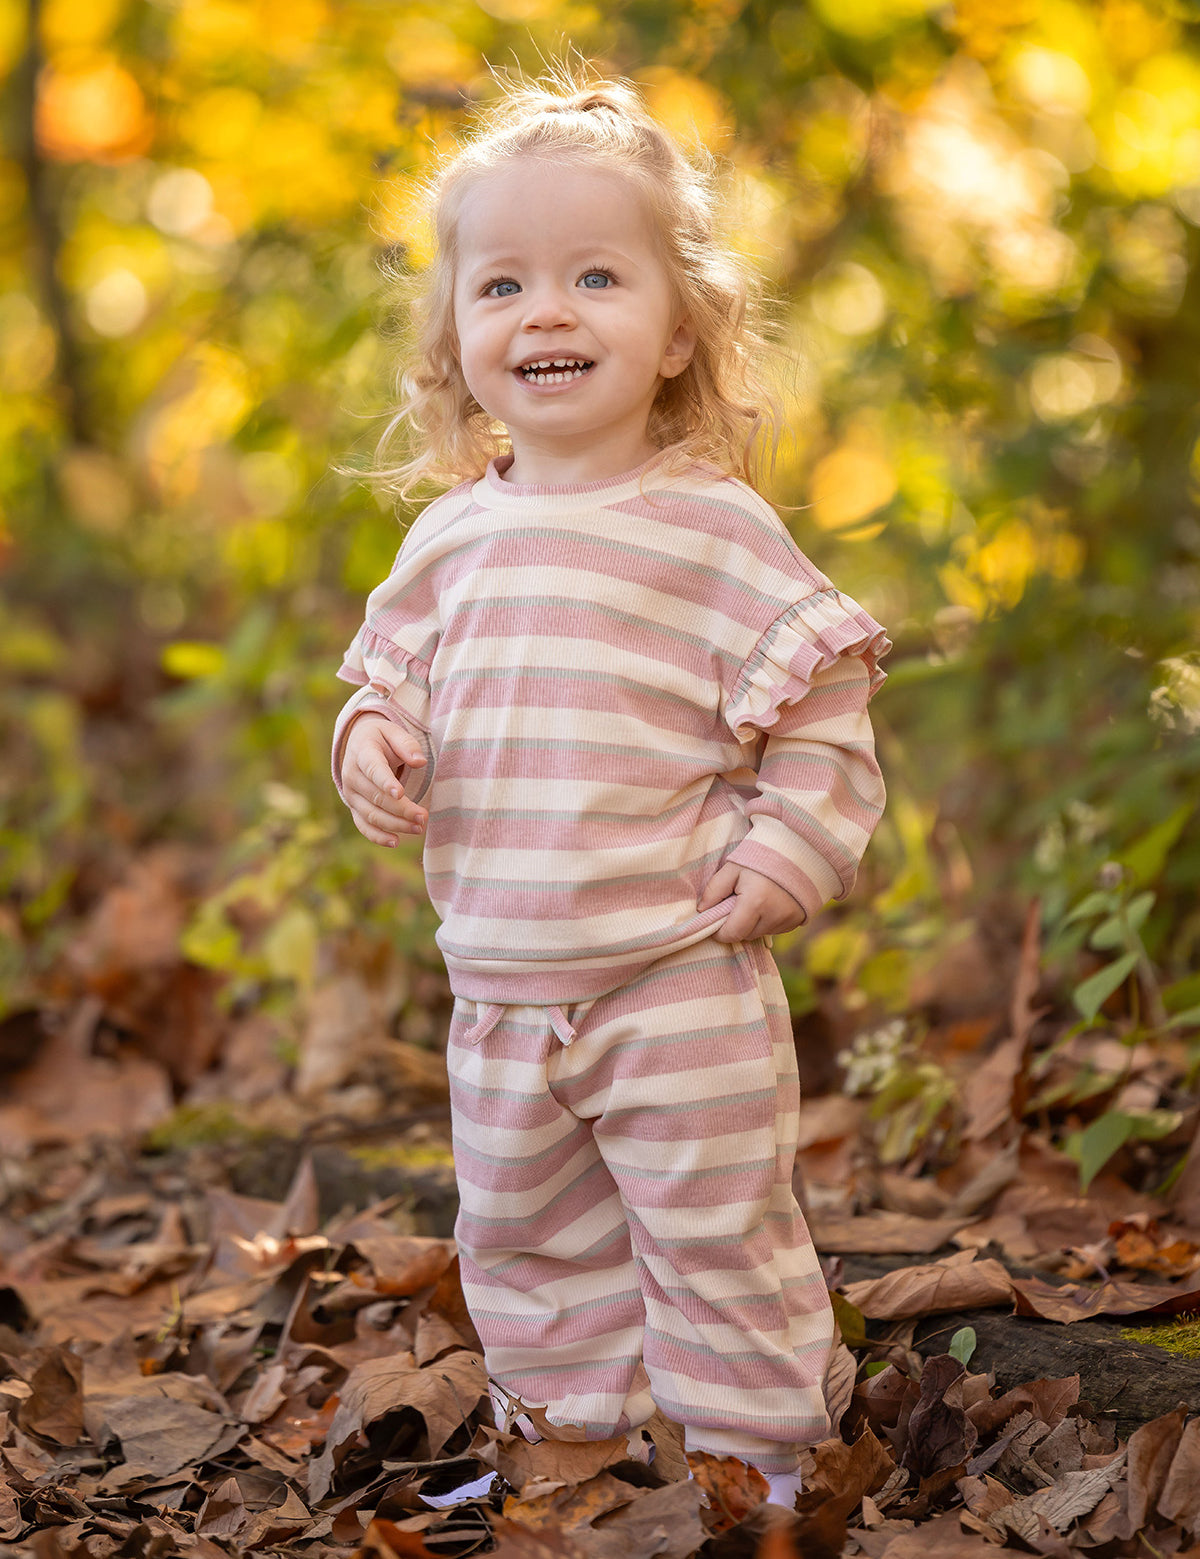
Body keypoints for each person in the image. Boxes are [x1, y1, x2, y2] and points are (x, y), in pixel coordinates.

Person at [331, 66, 889, 1508]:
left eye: (595, 276)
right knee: (526, 1245)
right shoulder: (450, 540)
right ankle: (572, 1457)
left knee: (716, 1235)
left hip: (673, 971)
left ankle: (758, 1468)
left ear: (679, 329)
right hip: (501, 988)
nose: (548, 314)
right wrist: (371, 744)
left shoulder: (713, 530)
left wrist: (790, 850)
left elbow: (824, 703)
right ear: (454, 339)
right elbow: (385, 685)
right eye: (502, 285)